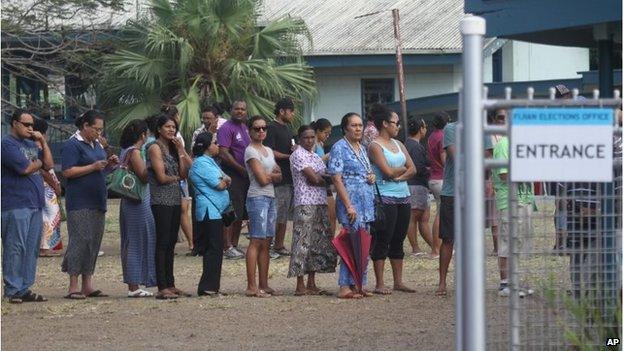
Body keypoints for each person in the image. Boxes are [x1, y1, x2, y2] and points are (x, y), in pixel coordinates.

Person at [61, 110, 118, 300]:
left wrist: (109, 163)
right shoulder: (72, 144)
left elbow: (100, 168)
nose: (99, 133)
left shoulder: (96, 145)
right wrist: (92, 167)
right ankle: (73, 285)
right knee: (80, 240)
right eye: (96, 129)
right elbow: (68, 171)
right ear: (85, 126)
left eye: (101, 130)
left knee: (94, 241)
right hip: (79, 201)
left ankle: (87, 283)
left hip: (97, 199)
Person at [436, 119, 493, 296]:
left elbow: (489, 159)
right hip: (452, 192)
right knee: (448, 239)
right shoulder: (451, 128)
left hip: (474, 193)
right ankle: (442, 282)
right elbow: (456, 157)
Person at [2, 109, 53, 303]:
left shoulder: (32, 144)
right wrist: (38, 162)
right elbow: (24, 168)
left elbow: (48, 164)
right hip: (15, 203)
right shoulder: (7, 144)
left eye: (32, 125)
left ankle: (24, 287)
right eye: (26, 124)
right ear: (14, 123)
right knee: (15, 246)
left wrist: (43, 143)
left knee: (31, 248)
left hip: (35, 203)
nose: (30, 129)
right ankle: (12, 288)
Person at [368, 104, 416, 294]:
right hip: (384, 197)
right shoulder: (375, 145)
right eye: (395, 123)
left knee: (399, 238)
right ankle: (380, 283)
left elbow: (413, 168)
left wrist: (399, 175)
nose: (398, 126)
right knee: (383, 238)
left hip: (403, 196)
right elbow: (386, 172)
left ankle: (398, 281)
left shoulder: (399, 144)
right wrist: (401, 171)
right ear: (385, 124)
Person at [328, 112, 376, 299]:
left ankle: (359, 283)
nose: (358, 129)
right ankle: (344, 286)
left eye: (360, 125)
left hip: (366, 202)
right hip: (351, 201)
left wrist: (371, 176)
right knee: (351, 241)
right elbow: (336, 178)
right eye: (354, 125)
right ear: (345, 128)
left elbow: (366, 171)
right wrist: (348, 205)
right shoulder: (339, 147)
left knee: (363, 242)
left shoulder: (362, 148)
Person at [146, 115, 193, 299]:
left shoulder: (173, 147)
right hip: (160, 199)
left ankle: (171, 284)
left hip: (174, 198)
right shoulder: (154, 147)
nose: (171, 130)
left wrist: (181, 151)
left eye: (174, 127)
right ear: (159, 129)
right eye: (167, 126)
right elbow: (161, 177)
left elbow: (183, 173)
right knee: (162, 242)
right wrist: (176, 178)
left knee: (172, 242)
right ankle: (162, 286)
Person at [287, 125, 337, 295]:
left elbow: (321, 177)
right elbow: (315, 179)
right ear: (300, 139)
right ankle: (299, 284)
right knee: (302, 243)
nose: (309, 140)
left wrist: (322, 178)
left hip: (320, 201)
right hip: (305, 203)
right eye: (305, 138)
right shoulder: (297, 155)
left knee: (317, 243)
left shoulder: (315, 156)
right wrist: (326, 179)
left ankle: (312, 282)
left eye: (311, 137)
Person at [492, 135, 535, 297]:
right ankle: (505, 284)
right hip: (510, 200)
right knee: (508, 241)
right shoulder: (504, 144)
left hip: (524, 199)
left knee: (520, 241)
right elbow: (504, 175)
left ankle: (516, 281)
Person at [244, 116, 282, 297]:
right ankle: (251, 286)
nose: (261, 131)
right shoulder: (250, 151)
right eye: (257, 128)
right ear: (249, 131)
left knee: (267, 241)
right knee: (256, 240)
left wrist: (270, 176)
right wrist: (271, 175)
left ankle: (264, 284)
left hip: (270, 196)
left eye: (263, 128)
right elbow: (262, 179)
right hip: (257, 197)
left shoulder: (268, 150)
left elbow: (278, 176)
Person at [118, 120, 157, 297]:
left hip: (131, 200)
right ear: (143, 135)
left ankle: (136, 283)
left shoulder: (126, 151)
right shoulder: (134, 152)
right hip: (138, 201)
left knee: (133, 240)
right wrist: (153, 165)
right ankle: (133, 286)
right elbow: (143, 175)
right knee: (136, 242)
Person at [189, 132, 231, 296]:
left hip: (216, 211)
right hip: (209, 211)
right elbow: (220, 184)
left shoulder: (210, 162)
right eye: (215, 142)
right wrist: (224, 180)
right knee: (213, 249)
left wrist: (224, 180)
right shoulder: (201, 163)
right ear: (207, 146)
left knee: (216, 248)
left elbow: (227, 179)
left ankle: (212, 285)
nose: (218, 145)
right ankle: (207, 286)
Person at [217, 100, 251, 260]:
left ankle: (235, 245)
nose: (240, 111)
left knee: (240, 212)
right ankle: (227, 246)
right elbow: (223, 153)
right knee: (231, 211)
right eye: (236, 108)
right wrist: (241, 169)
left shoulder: (245, 127)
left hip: (246, 176)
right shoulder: (226, 128)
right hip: (233, 174)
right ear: (231, 110)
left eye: (243, 109)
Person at [265, 98, 296, 258]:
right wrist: (287, 156)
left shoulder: (288, 129)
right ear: (282, 111)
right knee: (276, 213)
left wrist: (295, 150)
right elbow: (269, 151)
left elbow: (290, 148)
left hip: (290, 178)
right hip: (277, 178)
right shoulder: (271, 128)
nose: (292, 114)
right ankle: (268, 246)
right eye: (291, 111)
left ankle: (279, 245)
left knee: (284, 214)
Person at [161, 104, 194, 254]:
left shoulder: (170, 136)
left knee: (181, 211)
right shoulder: (175, 136)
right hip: (176, 179)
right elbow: (182, 157)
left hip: (178, 177)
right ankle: (191, 242)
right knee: (182, 211)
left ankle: (186, 241)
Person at [405, 118, 436, 258]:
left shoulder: (407, 144)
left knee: (422, 218)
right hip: (416, 184)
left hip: (413, 184)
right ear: (420, 129)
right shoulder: (416, 146)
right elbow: (418, 168)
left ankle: (434, 247)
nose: (426, 129)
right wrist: (430, 170)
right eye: (424, 126)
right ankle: (416, 248)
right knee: (414, 217)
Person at [33, 118, 63, 257]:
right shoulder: (36, 145)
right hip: (42, 183)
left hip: (44, 183)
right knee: (50, 213)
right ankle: (44, 247)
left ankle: (46, 245)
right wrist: (53, 183)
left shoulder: (40, 144)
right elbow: (47, 167)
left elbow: (48, 166)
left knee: (48, 214)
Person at [427, 112, 449, 257]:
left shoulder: (432, 136)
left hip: (433, 178)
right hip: (441, 178)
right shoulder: (442, 136)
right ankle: (437, 248)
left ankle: (437, 247)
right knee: (441, 215)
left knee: (440, 214)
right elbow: (444, 160)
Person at [486, 110, 506, 256]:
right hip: (494, 180)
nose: (503, 121)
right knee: (495, 216)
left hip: (507, 181)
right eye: (500, 118)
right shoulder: (489, 136)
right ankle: (497, 247)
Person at [312, 118, 337, 235]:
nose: (327, 136)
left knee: (332, 215)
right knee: (325, 216)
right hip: (317, 183)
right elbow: (311, 162)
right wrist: (326, 157)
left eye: (329, 133)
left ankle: (331, 241)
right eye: (325, 133)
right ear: (318, 131)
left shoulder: (321, 144)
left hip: (325, 180)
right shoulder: (313, 145)